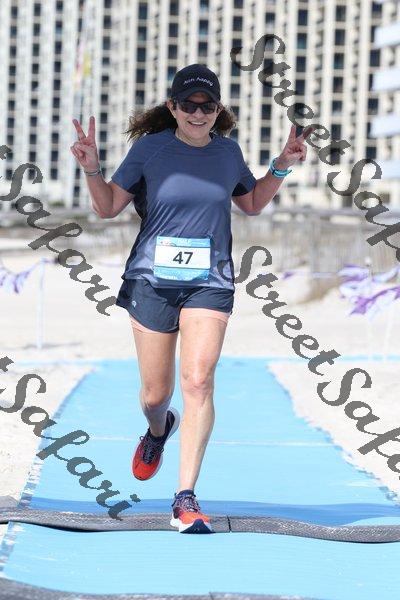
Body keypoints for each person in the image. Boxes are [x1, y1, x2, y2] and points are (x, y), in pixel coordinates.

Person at [70, 63, 311, 534]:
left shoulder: (227, 152)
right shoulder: (150, 149)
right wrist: (92, 169)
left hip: (210, 280)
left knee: (199, 380)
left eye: (208, 106)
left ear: (218, 110)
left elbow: (252, 203)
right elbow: (108, 207)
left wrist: (282, 163)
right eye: (189, 105)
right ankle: (158, 429)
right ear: (173, 107)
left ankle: (184, 497)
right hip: (151, 281)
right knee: (155, 395)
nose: (198, 114)